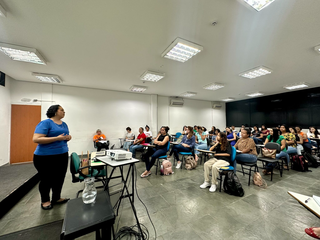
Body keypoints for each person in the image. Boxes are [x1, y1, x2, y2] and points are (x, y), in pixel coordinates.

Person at [33, 105, 71, 210]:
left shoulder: (64, 124)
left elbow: (63, 137)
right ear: (54, 111)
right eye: (62, 110)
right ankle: (45, 200)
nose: (64, 112)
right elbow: (36, 139)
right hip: (45, 157)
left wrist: (67, 138)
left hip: (62, 154)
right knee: (46, 179)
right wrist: (56, 138)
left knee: (59, 178)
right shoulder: (46, 123)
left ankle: (56, 198)